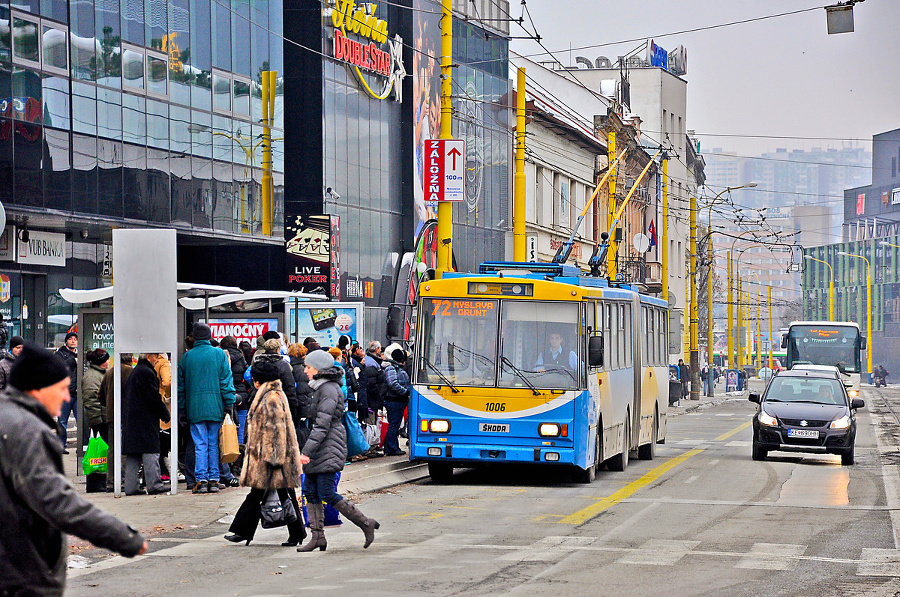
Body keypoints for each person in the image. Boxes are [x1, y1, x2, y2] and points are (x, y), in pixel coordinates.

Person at [0, 342, 147, 595]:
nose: (67, 397)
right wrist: (122, 536)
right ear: (38, 389)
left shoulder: (9, 418)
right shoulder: (25, 430)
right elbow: (56, 500)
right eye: (61, 389)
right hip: (19, 572)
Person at [298, 349, 379, 552]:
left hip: (328, 446)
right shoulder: (320, 387)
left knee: (326, 491)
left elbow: (322, 424)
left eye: (308, 367)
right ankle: (318, 537)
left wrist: (306, 451)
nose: (305, 371)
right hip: (322, 446)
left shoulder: (328, 389)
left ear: (318, 368)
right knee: (310, 491)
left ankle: (365, 523)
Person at [224, 360, 306, 547]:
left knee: (275, 495)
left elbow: (276, 430)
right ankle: (294, 533)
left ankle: (243, 532)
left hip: (272, 457)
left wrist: (273, 458)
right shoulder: (272, 394)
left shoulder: (270, 397)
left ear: (258, 380)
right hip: (271, 456)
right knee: (275, 494)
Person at [177, 322, 236, 494]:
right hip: (216, 407)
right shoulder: (218, 354)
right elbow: (226, 381)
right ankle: (214, 479)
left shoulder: (187, 357)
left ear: (195, 337)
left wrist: (181, 409)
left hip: (194, 408)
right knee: (213, 444)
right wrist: (229, 403)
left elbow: (180, 387)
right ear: (209, 336)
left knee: (200, 444)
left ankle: (201, 480)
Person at [122, 355, 171, 495]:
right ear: (149, 356)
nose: (158, 359)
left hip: (132, 420)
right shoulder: (146, 372)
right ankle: (154, 484)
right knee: (151, 451)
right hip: (145, 420)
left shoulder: (136, 371)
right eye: (156, 356)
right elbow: (153, 397)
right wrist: (165, 413)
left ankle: (131, 487)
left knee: (133, 454)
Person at [100, 353, 134, 491]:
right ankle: (124, 480)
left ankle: (111, 481)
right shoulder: (131, 372)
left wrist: (109, 405)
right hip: (127, 416)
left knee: (112, 449)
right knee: (125, 449)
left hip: (112, 415)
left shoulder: (109, 373)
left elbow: (100, 396)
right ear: (131, 359)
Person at [82, 348, 111, 493]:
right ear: (100, 362)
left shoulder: (99, 374)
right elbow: (90, 400)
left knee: (101, 451)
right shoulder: (92, 377)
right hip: (99, 419)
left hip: (101, 417)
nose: (108, 361)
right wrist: (98, 420)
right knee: (99, 451)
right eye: (106, 359)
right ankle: (95, 483)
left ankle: (100, 482)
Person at [147, 353, 173, 481]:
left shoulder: (153, 362)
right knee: (165, 442)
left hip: (153, 406)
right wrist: (168, 397)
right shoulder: (163, 362)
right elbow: (168, 382)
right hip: (163, 405)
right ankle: (165, 472)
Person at [220, 336, 250, 442]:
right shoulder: (241, 357)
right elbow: (247, 376)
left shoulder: (220, 357)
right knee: (240, 430)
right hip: (242, 396)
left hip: (225, 397)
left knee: (224, 429)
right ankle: (239, 455)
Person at [383, 348, 411, 457]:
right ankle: (391, 448)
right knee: (394, 425)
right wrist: (404, 392)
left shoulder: (396, 368)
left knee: (395, 425)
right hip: (394, 400)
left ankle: (393, 447)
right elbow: (392, 384)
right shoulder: (391, 368)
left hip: (397, 400)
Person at [55, 331, 78, 450]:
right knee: (62, 421)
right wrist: (73, 361)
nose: (73, 341)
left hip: (77, 392)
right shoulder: (60, 354)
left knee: (81, 421)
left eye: (75, 339)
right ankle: (61, 445)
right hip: (65, 393)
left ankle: (83, 446)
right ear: (66, 341)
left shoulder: (79, 354)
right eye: (71, 339)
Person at [363, 341, 386, 425]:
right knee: (371, 424)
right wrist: (378, 395)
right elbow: (372, 384)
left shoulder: (371, 360)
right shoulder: (371, 363)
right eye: (379, 348)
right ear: (377, 350)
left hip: (372, 399)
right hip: (372, 400)